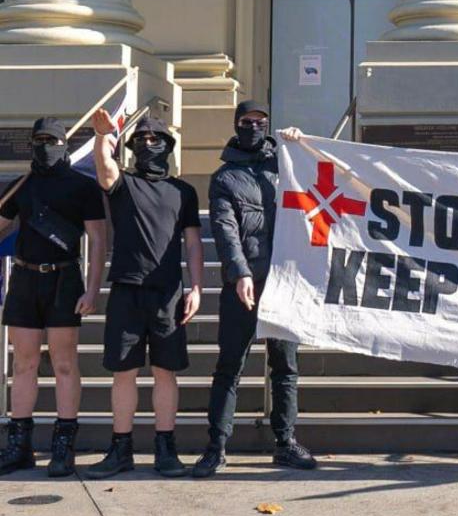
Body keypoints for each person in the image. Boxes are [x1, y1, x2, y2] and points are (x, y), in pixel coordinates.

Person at [192, 102, 317, 478]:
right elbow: (225, 230)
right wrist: (239, 272)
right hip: (244, 284)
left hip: (285, 283)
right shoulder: (224, 178)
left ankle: (286, 441)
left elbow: (321, 183)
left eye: (260, 122)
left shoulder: (286, 167)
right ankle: (216, 446)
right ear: (236, 125)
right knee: (230, 366)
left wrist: (300, 145)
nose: (253, 127)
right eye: (246, 122)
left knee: (285, 368)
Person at [84, 111, 202, 479]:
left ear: (168, 146)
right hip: (126, 291)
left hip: (168, 294)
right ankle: (121, 448)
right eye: (142, 140)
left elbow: (194, 244)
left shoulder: (183, 192)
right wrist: (105, 136)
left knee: (166, 372)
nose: (149, 144)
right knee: (124, 373)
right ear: (131, 147)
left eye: (156, 140)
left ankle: (166, 448)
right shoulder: (124, 184)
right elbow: (104, 167)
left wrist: (197, 286)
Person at [0, 118, 107, 477]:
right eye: (39, 139)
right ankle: (20, 445)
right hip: (26, 278)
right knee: (23, 364)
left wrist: (93, 289)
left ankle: (64, 445)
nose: (45, 145)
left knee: (63, 364)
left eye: (52, 140)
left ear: (64, 144)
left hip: (64, 278)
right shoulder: (23, 185)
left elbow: (98, 239)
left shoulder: (82, 186)